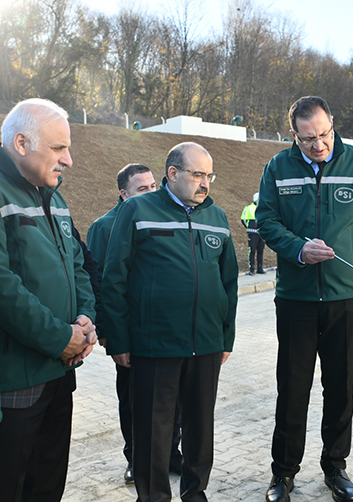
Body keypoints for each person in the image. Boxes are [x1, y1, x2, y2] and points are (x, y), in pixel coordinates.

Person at [0, 98, 98, 502]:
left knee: (48, 485)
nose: (68, 160)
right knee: (5, 487)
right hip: (15, 380)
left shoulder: (54, 195)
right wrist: (60, 337)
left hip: (59, 372)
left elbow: (78, 265)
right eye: (58, 149)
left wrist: (85, 321)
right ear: (20, 142)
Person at [256, 96, 353, 502]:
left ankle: (335, 468)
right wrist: (299, 249)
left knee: (340, 388)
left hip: (348, 299)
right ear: (293, 136)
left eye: (324, 134)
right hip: (297, 300)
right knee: (293, 388)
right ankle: (283, 473)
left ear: (333, 124)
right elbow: (266, 221)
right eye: (307, 139)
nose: (318, 145)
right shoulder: (278, 168)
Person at [100, 142, 238, 502]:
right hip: (154, 344)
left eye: (209, 176)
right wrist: (118, 340)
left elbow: (229, 283)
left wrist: (226, 337)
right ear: (173, 174)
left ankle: (195, 494)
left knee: (200, 430)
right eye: (198, 174)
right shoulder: (138, 209)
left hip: (206, 344)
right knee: (153, 433)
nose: (205, 183)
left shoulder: (218, 218)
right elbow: (114, 277)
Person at [88, 163, 183, 484]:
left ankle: (171, 452)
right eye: (142, 189)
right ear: (123, 193)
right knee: (133, 399)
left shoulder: (166, 214)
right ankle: (135, 457)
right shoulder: (105, 227)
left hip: (166, 332)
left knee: (174, 396)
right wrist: (108, 332)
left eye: (154, 185)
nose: (152, 192)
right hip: (130, 331)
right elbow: (99, 281)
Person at [241, 192, 266, 275]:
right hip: (253, 233)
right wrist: (249, 227)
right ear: (255, 199)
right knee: (252, 251)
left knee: (261, 251)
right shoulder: (248, 208)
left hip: (261, 234)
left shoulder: (263, 208)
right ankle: (251, 269)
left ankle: (260, 268)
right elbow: (243, 219)